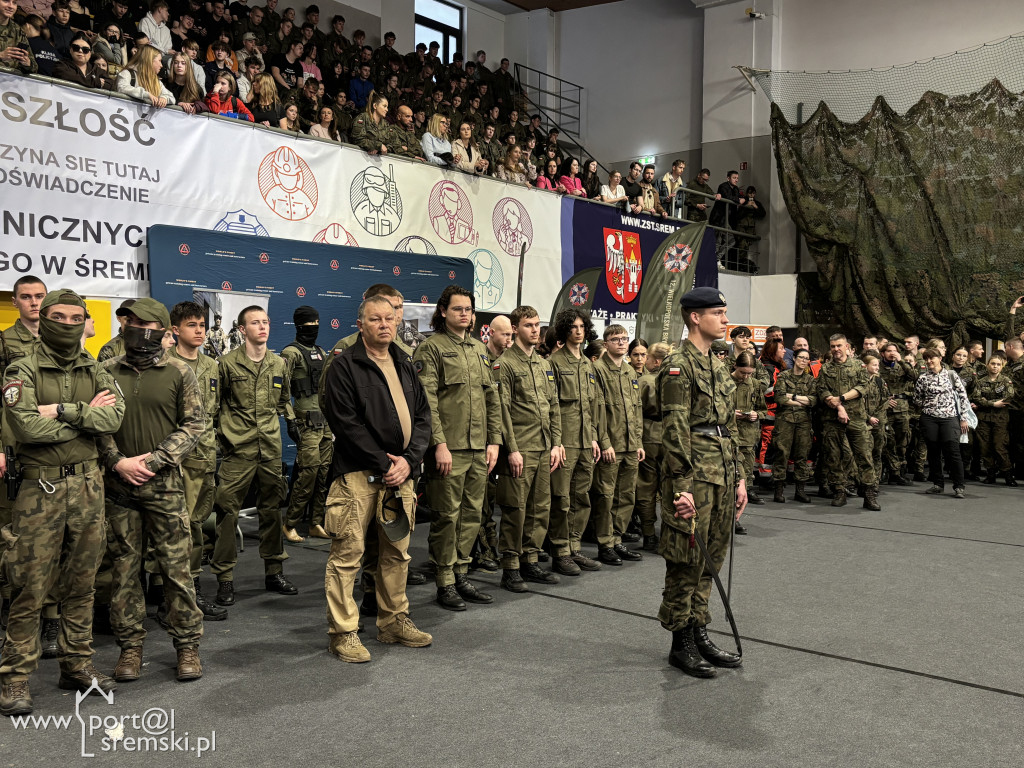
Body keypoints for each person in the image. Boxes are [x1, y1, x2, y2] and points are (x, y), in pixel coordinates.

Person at [0, 290, 125, 717]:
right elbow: (26, 426)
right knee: (29, 585)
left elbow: (114, 419)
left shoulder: (95, 368)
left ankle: (76, 665)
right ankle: (15, 677)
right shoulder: (22, 367)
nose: (68, 324)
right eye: (58, 316)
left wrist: (63, 410)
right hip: (41, 491)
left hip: (89, 488)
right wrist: (83, 420)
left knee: (83, 582)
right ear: (45, 318)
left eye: (76, 318)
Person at [321, 295, 433, 662]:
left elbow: (422, 419)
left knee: (396, 554)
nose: (385, 324)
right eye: (375, 319)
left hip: (401, 474)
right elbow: (346, 424)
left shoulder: (404, 362)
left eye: (389, 318)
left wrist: (410, 460)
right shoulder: (344, 367)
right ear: (361, 324)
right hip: (357, 474)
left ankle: (393, 621)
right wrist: (385, 463)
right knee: (348, 555)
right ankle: (344, 632)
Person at [98, 299, 205, 684]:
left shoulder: (179, 372)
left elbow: (194, 425)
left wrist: (156, 459)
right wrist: (117, 461)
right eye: (130, 321)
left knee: (176, 569)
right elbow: (96, 425)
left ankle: (187, 646)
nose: (135, 329)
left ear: (163, 330)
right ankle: (130, 648)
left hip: (164, 486)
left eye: (146, 323)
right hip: (118, 486)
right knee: (124, 571)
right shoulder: (105, 371)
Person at [656, 286, 746, 678]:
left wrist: (740, 477)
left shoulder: (717, 364)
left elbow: (728, 427)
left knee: (712, 557)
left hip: (721, 473)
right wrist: (682, 488)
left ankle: (699, 629)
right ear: (695, 317)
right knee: (686, 559)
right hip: (693, 477)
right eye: (718, 313)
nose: (725, 320)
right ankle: (681, 642)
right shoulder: (678, 365)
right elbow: (675, 431)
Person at [413, 287, 500, 610]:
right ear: (443, 311)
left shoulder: (479, 350)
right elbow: (428, 403)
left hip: (479, 447)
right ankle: (445, 580)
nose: (465, 314)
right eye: (458, 308)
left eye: (469, 309)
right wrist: (438, 445)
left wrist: (494, 441)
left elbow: (492, 399)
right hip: (450, 448)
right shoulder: (431, 349)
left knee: (472, 514)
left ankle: (462, 572)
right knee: (446, 516)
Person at [209, 306, 298, 606]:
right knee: (226, 513)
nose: (262, 327)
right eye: (255, 323)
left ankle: (274, 571)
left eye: (265, 322)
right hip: (238, 450)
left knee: (272, 511)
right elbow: (214, 406)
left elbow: (284, 400)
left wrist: (292, 422)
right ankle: (224, 579)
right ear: (242, 329)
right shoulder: (226, 365)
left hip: (270, 449)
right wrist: (220, 440)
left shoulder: (278, 364)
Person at [494, 306, 564, 592]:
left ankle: (530, 560)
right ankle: (510, 566)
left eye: (537, 325)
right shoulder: (505, 364)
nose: (535, 330)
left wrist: (557, 443)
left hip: (544, 446)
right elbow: (502, 410)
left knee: (540, 508)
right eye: (528, 325)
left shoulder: (544, 364)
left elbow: (554, 406)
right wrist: (511, 449)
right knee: (516, 509)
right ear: (514, 329)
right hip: (521, 446)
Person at [168, 302, 227, 622]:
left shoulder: (211, 366)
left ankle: (189, 588)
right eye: (192, 325)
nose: (200, 330)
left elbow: (215, 411)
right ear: (175, 330)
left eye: (202, 324)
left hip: (206, 455)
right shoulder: (166, 364)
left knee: (199, 524)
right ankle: (179, 594)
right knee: (179, 527)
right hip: (177, 458)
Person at [548, 309, 604, 575]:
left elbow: (591, 406)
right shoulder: (555, 364)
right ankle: (560, 552)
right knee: (562, 498)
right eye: (573, 327)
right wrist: (556, 442)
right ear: (564, 330)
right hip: (565, 441)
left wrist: (593, 437)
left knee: (581, 497)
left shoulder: (588, 365)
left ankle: (574, 546)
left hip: (584, 441)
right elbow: (552, 407)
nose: (579, 331)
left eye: (582, 326)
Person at [592, 325, 645, 566]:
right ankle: (605, 543)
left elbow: (637, 410)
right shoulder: (598, 370)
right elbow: (596, 411)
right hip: (610, 444)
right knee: (606, 496)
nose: (622, 343)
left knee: (627, 496)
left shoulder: (630, 372)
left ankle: (617, 539)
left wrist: (639, 442)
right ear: (606, 343)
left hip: (630, 444)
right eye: (616, 339)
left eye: (625, 339)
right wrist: (604, 443)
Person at [281, 306, 333, 543]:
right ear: (298, 326)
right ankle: (290, 523)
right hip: (306, 423)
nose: (313, 329)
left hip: (325, 424)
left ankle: (315, 522)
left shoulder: (322, 352)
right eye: (308, 325)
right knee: (308, 474)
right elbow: (281, 391)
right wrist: (290, 420)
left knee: (323, 474)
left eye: (316, 325)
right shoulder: (290, 353)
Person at [818, 334, 879, 510]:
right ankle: (839, 491)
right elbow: (822, 390)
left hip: (857, 418)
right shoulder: (825, 369)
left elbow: (863, 387)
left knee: (864, 456)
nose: (836, 349)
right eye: (832, 346)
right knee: (834, 456)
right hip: (832, 419)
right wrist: (837, 406)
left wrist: (841, 398)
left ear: (846, 346)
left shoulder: (858, 366)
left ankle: (869, 494)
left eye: (839, 346)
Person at [914, 347, 970, 497]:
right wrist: (930, 404)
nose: (929, 361)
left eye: (932, 358)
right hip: (929, 418)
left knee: (953, 451)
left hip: (950, 417)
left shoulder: (951, 375)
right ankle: (938, 484)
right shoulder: (923, 378)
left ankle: (959, 486)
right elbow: (917, 399)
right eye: (926, 359)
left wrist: (963, 418)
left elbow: (963, 397)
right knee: (933, 451)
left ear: (940, 358)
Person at [635, 341, 670, 550]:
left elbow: (635, 410)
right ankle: (667, 534)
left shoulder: (644, 381)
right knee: (669, 487)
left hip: (648, 435)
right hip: (670, 435)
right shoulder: (675, 380)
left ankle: (648, 534)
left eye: (647, 357)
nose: (644, 360)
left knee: (647, 487)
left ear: (655, 360)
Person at [772, 347, 817, 503]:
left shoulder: (810, 380)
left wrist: (794, 396)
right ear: (795, 358)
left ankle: (800, 490)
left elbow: (813, 400)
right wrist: (801, 401)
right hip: (784, 421)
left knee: (801, 455)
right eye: (801, 357)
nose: (803, 361)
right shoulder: (784, 376)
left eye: (806, 359)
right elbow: (780, 398)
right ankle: (778, 490)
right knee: (781, 453)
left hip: (803, 422)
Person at [879, 342, 918, 484]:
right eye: (888, 351)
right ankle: (889, 471)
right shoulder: (877, 366)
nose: (891, 353)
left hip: (901, 409)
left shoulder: (902, 366)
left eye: (894, 351)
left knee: (903, 440)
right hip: (885, 410)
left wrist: (901, 360)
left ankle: (900, 471)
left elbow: (915, 376)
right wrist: (884, 401)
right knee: (887, 441)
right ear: (883, 353)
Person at [972, 355, 1014, 486]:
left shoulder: (1006, 381)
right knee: (985, 447)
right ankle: (990, 473)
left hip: (1000, 418)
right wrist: (993, 404)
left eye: (998, 364)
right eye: (992, 363)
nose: (995, 366)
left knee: (999, 446)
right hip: (984, 418)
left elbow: (1009, 397)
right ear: (987, 365)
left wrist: (987, 403)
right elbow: (976, 397)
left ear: (1002, 367)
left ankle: (1008, 474)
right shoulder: (980, 381)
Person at [860, 351, 890, 492]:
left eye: (878, 365)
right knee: (864, 453)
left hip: (878, 422)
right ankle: (863, 482)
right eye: (874, 365)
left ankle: (875, 483)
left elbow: (885, 400)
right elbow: (856, 403)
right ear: (865, 366)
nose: (877, 367)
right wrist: (868, 418)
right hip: (863, 421)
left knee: (877, 453)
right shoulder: (859, 381)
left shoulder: (879, 381)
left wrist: (876, 417)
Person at [710, 170, 744, 266]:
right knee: (717, 240)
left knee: (731, 240)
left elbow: (740, 198)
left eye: (737, 178)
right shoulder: (723, 186)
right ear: (728, 178)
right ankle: (714, 260)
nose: (736, 180)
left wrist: (743, 199)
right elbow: (728, 196)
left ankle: (716, 258)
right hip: (718, 217)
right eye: (734, 178)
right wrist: (738, 200)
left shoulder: (736, 189)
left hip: (727, 220)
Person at [0, 0, 38, 75]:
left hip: (8, 83)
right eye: (6, 1)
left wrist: (27, 63)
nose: (11, 6)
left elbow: (34, 68)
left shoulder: (17, 30)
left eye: (14, 3)